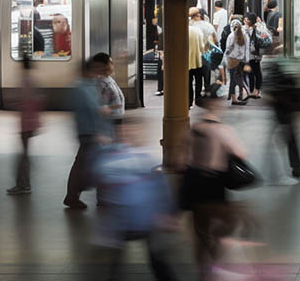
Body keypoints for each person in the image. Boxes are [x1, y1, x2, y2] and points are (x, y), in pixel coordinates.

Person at [93, 117, 178, 281]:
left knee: (157, 260)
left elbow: (162, 187)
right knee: (118, 261)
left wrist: (169, 213)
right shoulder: (109, 156)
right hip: (121, 219)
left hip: (146, 217)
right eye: (124, 130)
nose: (128, 133)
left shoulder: (148, 156)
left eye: (133, 130)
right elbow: (100, 181)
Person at [183, 97, 248, 281]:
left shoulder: (193, 129)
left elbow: (183, 160)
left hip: (193, 182)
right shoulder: (222, 130)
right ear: (215, 106)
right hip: (214, 183)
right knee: (229, 222)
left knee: (200, 231)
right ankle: (215, 258)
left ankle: (203, 272)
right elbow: (241, 152)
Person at [64, 55, 113, 210]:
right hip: (89, 132)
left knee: (86, 164)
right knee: (86, 165)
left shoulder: (88, 84)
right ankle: (75, 196)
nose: (98, 72)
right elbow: (93, 108)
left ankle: (74, 196)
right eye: (95, 69)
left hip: (91, 131)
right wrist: (103, 113)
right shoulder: (82, 87)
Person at [266, 61, 300, 178]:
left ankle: (291, 167)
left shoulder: (275, 65)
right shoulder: (287, 64)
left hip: (280, 105)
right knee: (291, 137)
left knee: (284, 136)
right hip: (285, 106)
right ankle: (295, 167)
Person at [7, 57, 40, 195]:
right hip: (29, 123)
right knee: (24, 154)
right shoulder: (31, 80)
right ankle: (23, 183)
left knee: (23, 155)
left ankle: (23, 184)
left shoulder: (25, 81)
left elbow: (27, 102)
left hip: (26, 123)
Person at [225, 20, 251, 105]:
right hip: (241, 60)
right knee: (240, 78)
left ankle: (234, 99)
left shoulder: (231, 36)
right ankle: (243, 94)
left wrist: (226, 56)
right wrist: (247, 61)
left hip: (232, 60)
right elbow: (247, 49)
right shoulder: (245, 36)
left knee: (233, 79)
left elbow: (227, 49)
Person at [94, 53, 125, 124]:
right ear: (103, 66)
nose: (113, 65)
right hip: (109, 119)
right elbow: (99, 104)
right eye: (110, 63)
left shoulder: (109, 79)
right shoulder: (100, 83)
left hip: (116, 116)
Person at [187, 8, 208, 106]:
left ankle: (189, 101)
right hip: (197, 60)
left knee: (188, 82)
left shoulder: (182, 30)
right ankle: (198, 98)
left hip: (186, 62)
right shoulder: (197, 31)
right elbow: (202, 48)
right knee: (199, 80)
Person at [245, 14, 265, 99]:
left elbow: (264, 35)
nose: (245, 20)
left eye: (247, 19)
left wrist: (260, 24)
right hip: (251, 54)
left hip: (254, 55)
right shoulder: (248, 28)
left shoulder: (257, 29)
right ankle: (253, 91)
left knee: (256, 73)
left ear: (250, 20)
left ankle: (256, 91)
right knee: (252, 72)